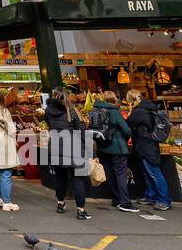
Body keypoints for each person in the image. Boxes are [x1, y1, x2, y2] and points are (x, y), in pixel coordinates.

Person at [45, 87, 92, 220]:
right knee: (78, 180)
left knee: (60, 178)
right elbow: (82, 130)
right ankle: (81, 210)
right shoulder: (72, 111)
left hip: (56, 148)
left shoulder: (48, 110)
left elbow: (49, 124)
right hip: (75, 149)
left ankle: (60, 204)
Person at [90, 91, 138, 213]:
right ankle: (125, 203)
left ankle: (116, 199)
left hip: (103, 147)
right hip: (117, 148)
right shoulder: (114, 112)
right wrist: (124, 140)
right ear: (114, 100)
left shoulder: (95, 111)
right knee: (121, 175)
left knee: (109, 175)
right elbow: (127, 130)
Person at [127, 90, 172, 211]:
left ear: (132, 101)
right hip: (149, 145)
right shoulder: (149, 109)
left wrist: (130, 111)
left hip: (145, 146)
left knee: (154, 173)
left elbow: (128, 124)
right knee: (148, 172)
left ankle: (164, 200)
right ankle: (151, 195)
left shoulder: (139, 112)